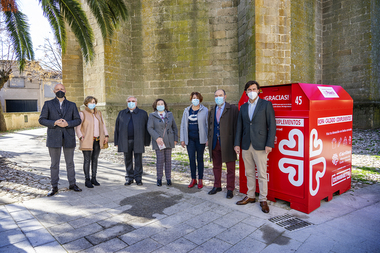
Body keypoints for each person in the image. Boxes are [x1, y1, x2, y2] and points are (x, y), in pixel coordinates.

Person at [234, 81, 276, 213]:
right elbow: (239, 127)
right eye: (249, 89)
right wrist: (237, 144)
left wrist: (269, 144)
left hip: (261, 145)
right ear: (246, 92)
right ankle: (251, 196)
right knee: (249, 172)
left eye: (254, 89)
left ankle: (263, 199)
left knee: (262, 174)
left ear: (258, 90)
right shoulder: (243, 107)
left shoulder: (266, 104)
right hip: (246, 145)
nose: (251, 91)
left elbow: (272, 126)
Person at [39, 83, 82, 196]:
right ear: (54, 91)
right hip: (53, 138)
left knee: (70, 163)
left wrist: (68, 123)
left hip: (69, 137)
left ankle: (72, 184)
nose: (60, 90)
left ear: (65, 91)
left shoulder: (72, 105)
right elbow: (42, 119)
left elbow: (77, 120)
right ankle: (54, 187)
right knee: (54, 164)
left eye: (62, 89)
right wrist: (54, 122)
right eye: (57, 89)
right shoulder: (48, 104)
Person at [207, 89, 239, 199]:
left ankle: (230, 188)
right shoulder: (212, 110)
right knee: (216, 166)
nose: (218, 97)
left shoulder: (233, 109)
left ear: (225, 96)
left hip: (228, 143)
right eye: (216, 95)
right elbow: (210, 126)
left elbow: (237, 126)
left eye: (220, 95)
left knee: (230, 168)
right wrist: (209, 140)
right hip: (215, 142)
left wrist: (236, 143)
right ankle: (217, 185)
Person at [114, 96, 150, 186]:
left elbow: (147, 129)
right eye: (129, 101)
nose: (131, 102)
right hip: (125, 140)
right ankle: (129, 177)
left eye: (133, 101)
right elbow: (117, 128)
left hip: (138, 140)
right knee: (127, 159)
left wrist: (146, 142)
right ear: (126, 102)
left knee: (138, 160)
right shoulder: (121, 113)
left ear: (136, 102)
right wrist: (117, 142)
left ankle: (138, 178)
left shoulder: (143, 113)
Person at [75, 96, 109, 188]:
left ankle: (94, 178)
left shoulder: (98, 113)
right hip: (86, 140)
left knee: (95, 159)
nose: (92, 104)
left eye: (94, 102)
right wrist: (80, 137)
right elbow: (78, 127)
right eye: (90, 102)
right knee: (87, 160)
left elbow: (103, 125)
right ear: (86, 103)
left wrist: (106, 135)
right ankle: (87, 179)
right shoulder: (82, 113)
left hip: (97, 140)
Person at [180, 92, 208, 189]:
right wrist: (182, 139)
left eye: (196, 98)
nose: (194, 99)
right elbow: (183, 125)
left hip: (200, 139)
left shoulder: (205, 110)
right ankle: (193, 179)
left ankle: (200, 179)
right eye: (193, 98)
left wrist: (207, 138)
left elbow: (207, 125)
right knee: (191, 159)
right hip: (190, 139)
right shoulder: (186, 110)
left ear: (200, 99)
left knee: (200, 159)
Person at [147, 99, 178, 186]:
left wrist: (175, 139)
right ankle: (159, 178)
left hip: (169, 140)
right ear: (155, 106)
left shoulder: (170, 114)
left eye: (162, 104)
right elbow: (150, 128)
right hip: (159, 142)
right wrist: (157, 138)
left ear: (165, 105)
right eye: (158, 104)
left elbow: (174, 127)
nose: (160, 105)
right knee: (160, 160)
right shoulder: (152, 115)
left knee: (168, 160)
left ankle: (168, 178)